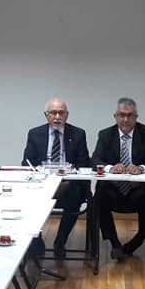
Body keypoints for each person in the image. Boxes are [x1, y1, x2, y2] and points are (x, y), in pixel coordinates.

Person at [91, 97, 145, 260]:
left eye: (130, 115)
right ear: (115, 116)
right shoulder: (105, 134)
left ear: (136, 117)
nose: (125, 119)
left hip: (138, 189)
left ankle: (132, 245)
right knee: (99, 196)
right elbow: (94, 160)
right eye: (121, 115)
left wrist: (141, 168)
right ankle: (115, 244)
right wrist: (110, 168)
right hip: (113, 189)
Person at [21, 98, 91, 258]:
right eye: (53, 113)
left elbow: (83, 164)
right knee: (27, 199)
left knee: (76, 196)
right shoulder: (35, 134)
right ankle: (36, 241)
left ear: (67, 115)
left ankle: (60, 242)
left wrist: (68, 182)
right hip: (41, 186)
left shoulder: (78, 134)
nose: (57, 117)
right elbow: (27, 163)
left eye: (61, 113)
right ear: (46, 115)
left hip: (68, 186)